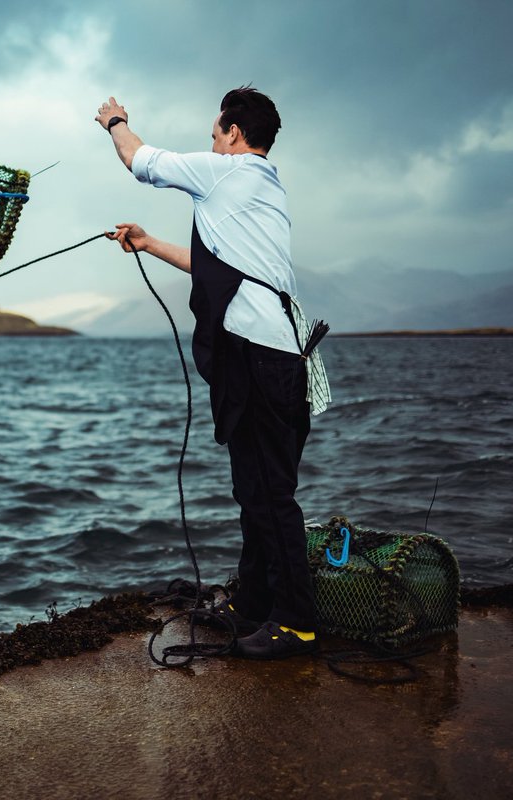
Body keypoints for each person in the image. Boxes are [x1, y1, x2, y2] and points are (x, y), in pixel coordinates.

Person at [95, 87, 318, 659]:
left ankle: (295, 623)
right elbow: (213, 266)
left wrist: (115, 122)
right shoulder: (261, 190)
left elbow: (139, 160)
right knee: (255, 489)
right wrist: (147, 243)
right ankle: (254, 604)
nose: (212, 144)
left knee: (270, 495)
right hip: (279, 358)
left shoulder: (229, 172)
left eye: (215, 135)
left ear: (235, 134)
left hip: (259, 358)